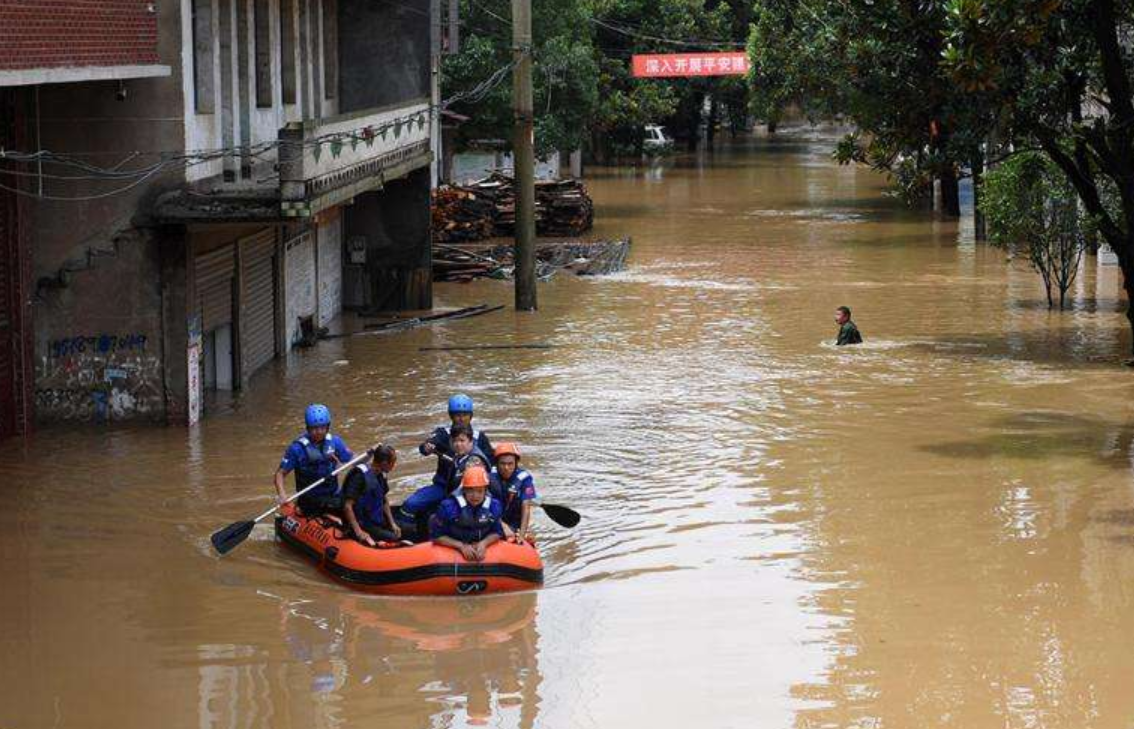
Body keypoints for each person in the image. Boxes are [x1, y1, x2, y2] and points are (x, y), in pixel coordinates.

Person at [400, 425, 490, 531]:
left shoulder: (474, 461)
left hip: (469, 501)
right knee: (413, 505)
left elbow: (470, 491)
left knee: (435, 518)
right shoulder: (460, 455)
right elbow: (424, 449)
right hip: (450, 491)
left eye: (462, 441)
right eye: (455, 441)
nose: (458, 444)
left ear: (471, 442)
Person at [275, 404, 354, 516]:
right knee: (340, 506)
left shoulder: (335, 442)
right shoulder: (297, 449)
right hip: (310, 498)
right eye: (315, 428)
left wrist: (369, 455)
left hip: (333, 494)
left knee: (356, 501)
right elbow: (280, 474)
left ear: (328, 427)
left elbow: (352, 460)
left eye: (322, 427)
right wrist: (282, 495)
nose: (319, 432)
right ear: (308, 428)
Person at [430, 465, 504, 562]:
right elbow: (436, 537)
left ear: (486, 491)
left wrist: (484, 543)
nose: (475, 496)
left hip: (481, 543)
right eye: (470, 490)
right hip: (454, 546)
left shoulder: (494, 506)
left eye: (479, 491)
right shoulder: (448, 507)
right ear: (464, 490)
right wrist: (461, 546)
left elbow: (498, 532)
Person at [419, 394, 495, 487]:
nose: (461, 419)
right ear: (451, 416)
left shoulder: (479, 436)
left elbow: (491, 460)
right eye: (457, 415)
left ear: (470, 416)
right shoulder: (442, 433)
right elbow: (425, 447)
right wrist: (427, 447)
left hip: (473, 485)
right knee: (412, 502)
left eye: (465, 415)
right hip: (444, 484)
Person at [342, 445, 401, 546]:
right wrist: (359, 531)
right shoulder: (359, 476)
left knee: (409, 530)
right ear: (384, 463)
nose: (393, 466)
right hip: (363, 523)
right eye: (393, 463)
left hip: (376, 519)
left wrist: (392, 523)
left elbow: (384, 500)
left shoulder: (381, 474)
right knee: (393, 538)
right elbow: (347, 506)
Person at [489, 442, 537, 542]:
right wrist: (502, 525)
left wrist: (522, 535)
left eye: (510, 464)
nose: (506, 468)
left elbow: (526, 507)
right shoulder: (488, 476)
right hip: (492, 518)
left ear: (516, 464)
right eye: (502, 464)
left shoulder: (525, 479)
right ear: (497, 463)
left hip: (514, 521)